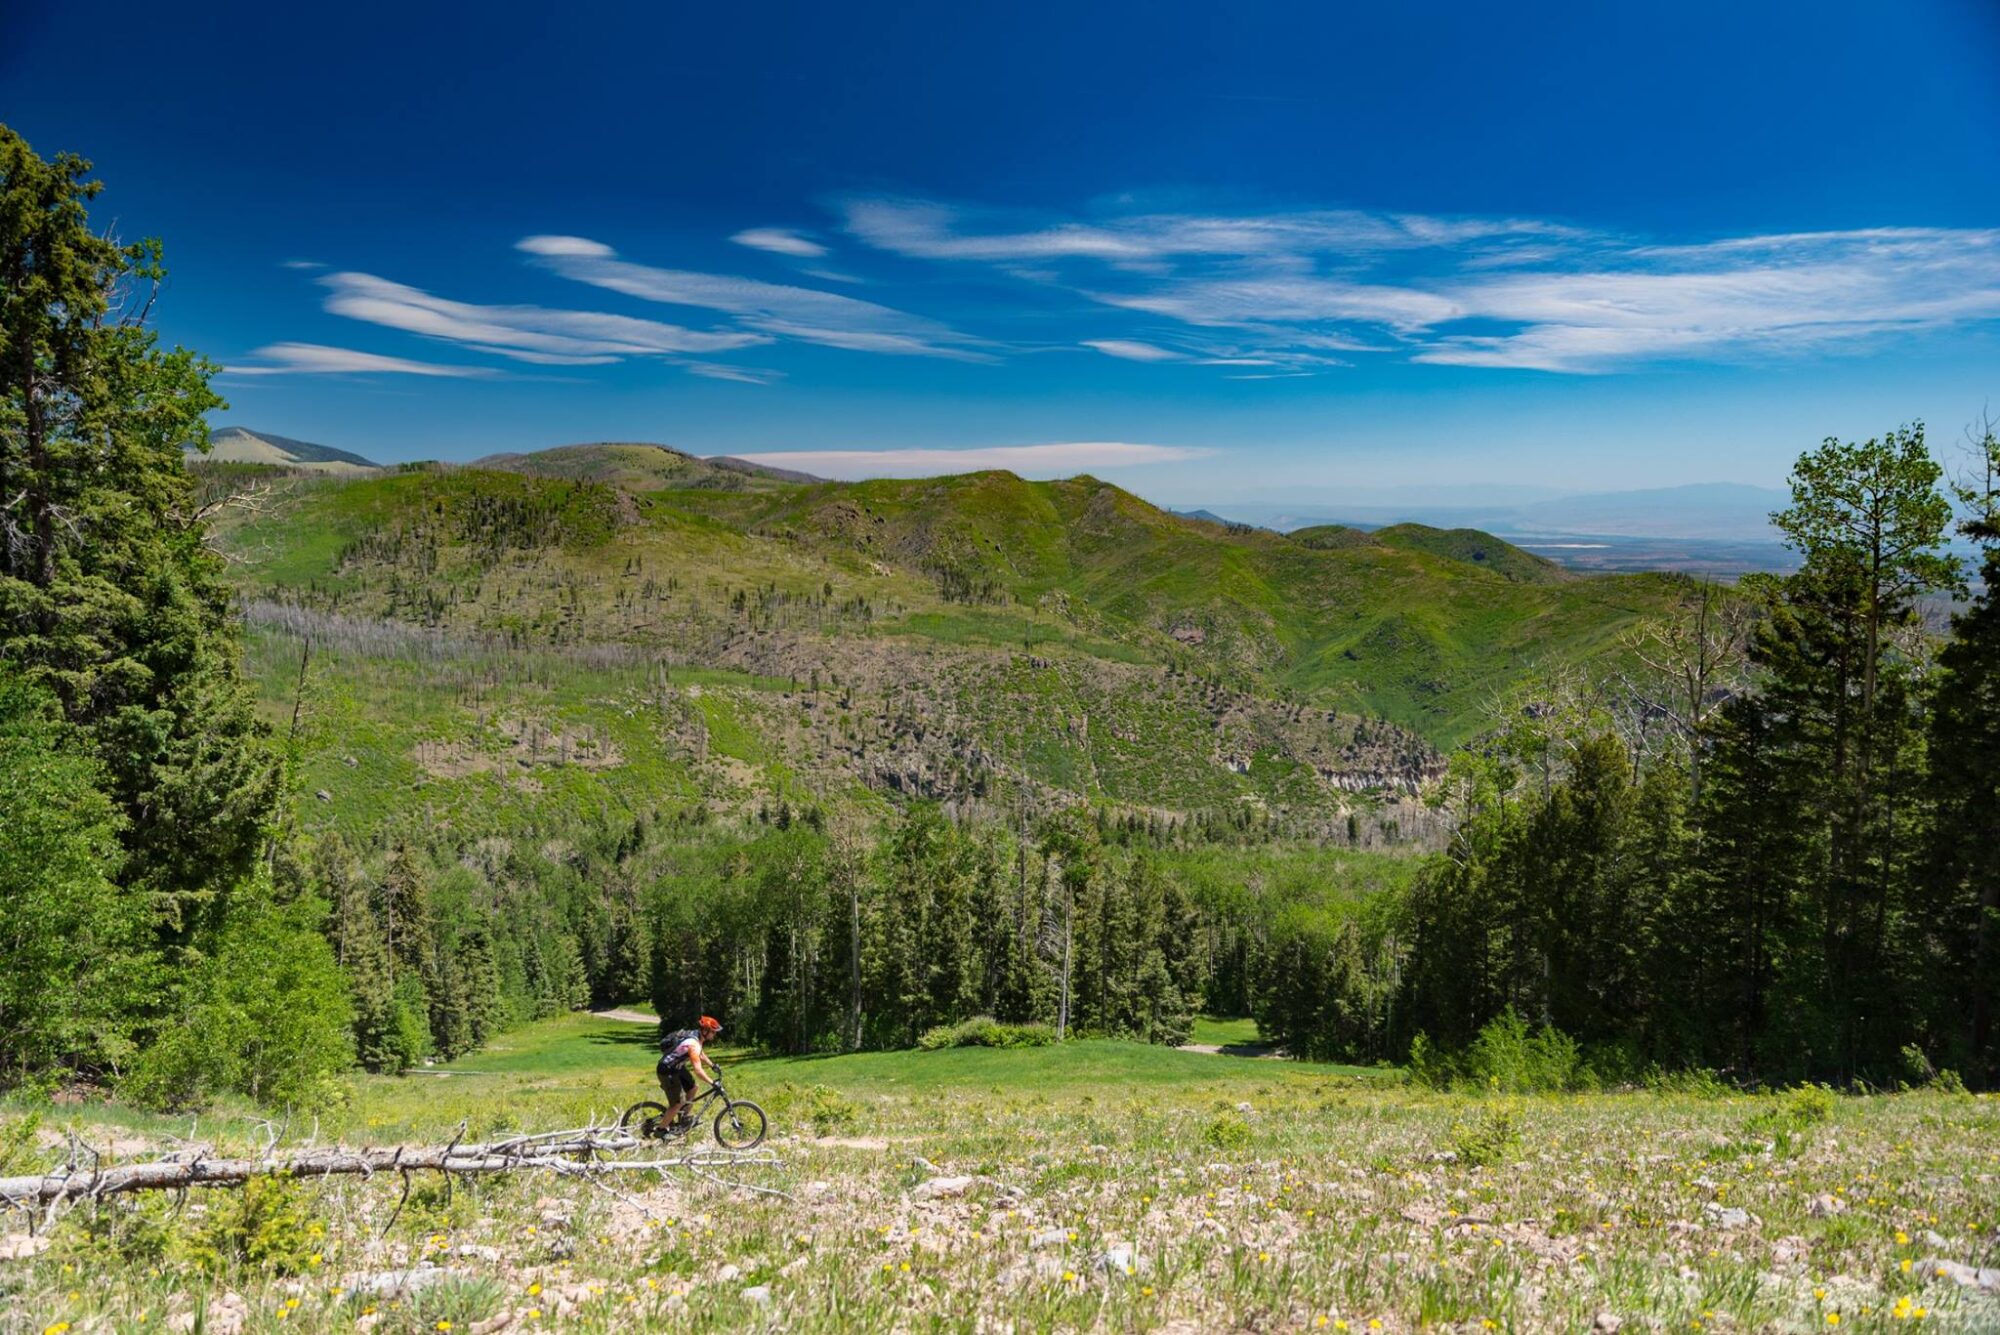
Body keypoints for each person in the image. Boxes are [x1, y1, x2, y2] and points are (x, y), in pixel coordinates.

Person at [657, 1015, 721, 1129]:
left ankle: (684, 1119)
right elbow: (698, 1070)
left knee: (693, 1088)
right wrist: (712, 1083)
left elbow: (700, 1053)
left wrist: (712, 1065)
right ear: (705, 1031)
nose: (714, 1035)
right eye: (713, 1032)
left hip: (676, 1067)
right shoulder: (693, 1044)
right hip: (667, 1070)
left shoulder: (697, 1036)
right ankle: (660, 1130)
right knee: (677, 1104)